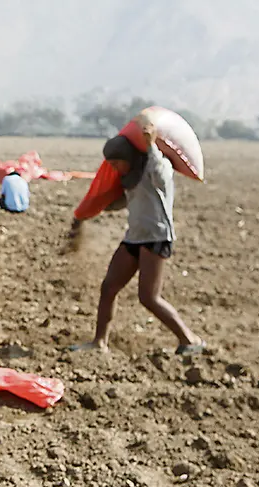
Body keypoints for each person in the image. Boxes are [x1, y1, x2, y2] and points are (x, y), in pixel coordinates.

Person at [71, 118, 204, 355]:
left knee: (149, 297)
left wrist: (151, 144)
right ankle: (99, 343)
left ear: (129, 158)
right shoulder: (130, 178)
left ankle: (190, 339)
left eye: (116, 163)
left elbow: (162, 176)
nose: (114, 168)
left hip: (156, 237)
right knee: (109, 287)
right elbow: (122, 202)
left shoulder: (155, 170)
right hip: (134, 237)